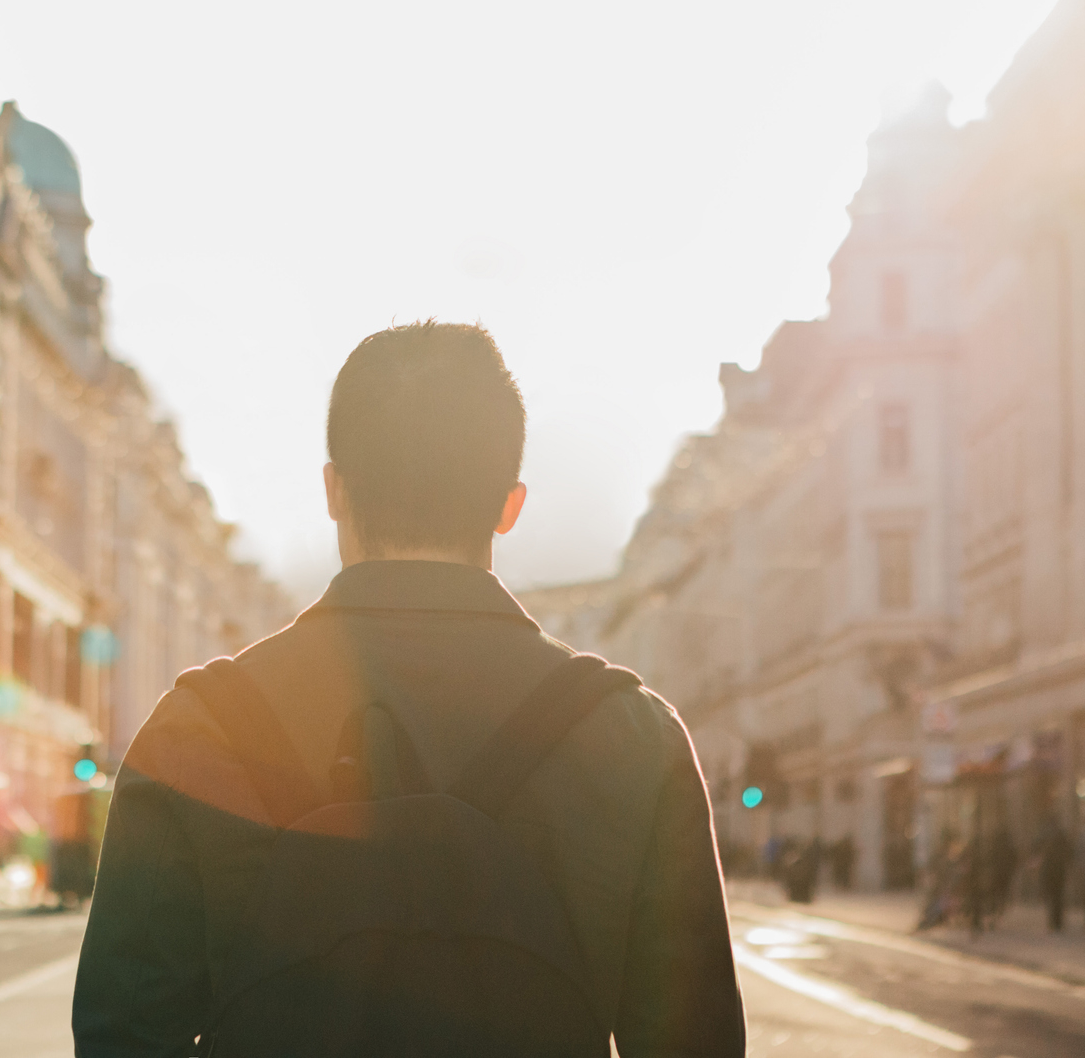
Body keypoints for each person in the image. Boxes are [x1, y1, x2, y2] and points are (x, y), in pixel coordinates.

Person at [73, 323, 748, 1058]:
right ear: (507, 505)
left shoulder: (197, 729)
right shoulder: (632, 738)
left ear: (334, 489)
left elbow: (123, 1038)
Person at [1038, 817, 1072, 932]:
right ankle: (1058, 921)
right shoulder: (1061, 835)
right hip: (1059, 869)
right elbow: (1068, 851)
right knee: (1058, 896)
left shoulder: (1044, 833)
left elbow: (1038, 849)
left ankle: (1052, 921)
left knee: (1050, 895)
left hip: (1049, 869)